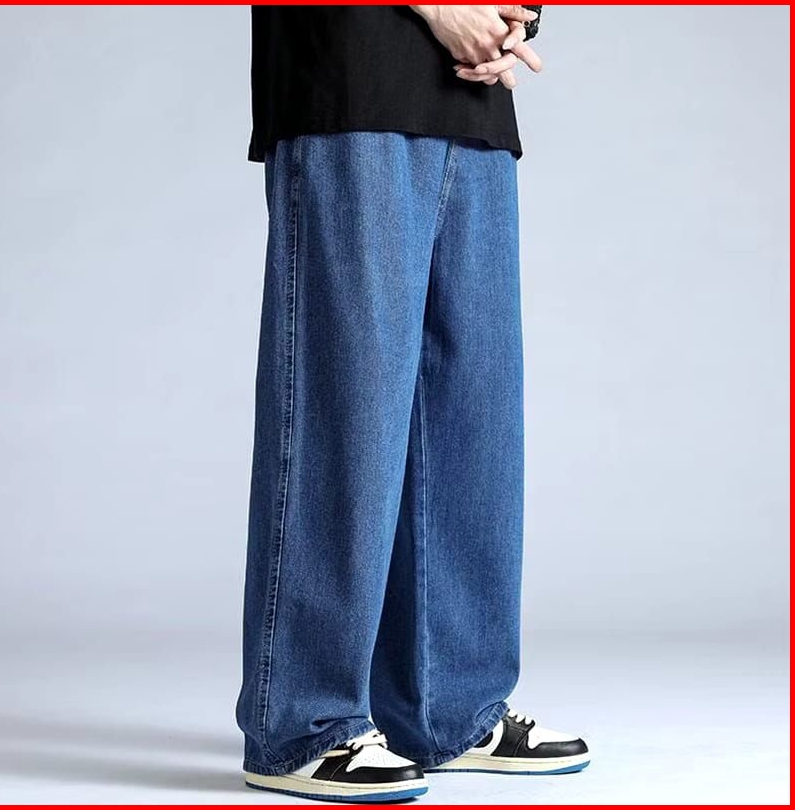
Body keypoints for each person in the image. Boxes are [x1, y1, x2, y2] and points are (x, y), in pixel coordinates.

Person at [235, 5, 589, 802]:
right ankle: (300, 724)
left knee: (472, 418)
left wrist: (513, 18)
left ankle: (449, 710)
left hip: (472, 101)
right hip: (351, 67)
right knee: (344, 410)